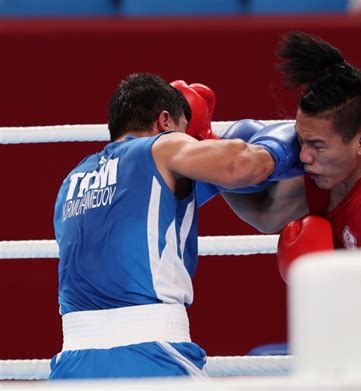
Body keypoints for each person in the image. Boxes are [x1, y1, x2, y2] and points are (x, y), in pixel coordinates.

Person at [50, 73, 300, 379]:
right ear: (165, 121)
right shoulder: (162, 148)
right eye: (185, 132)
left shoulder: (72, 182)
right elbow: (242, 166)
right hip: (150, 352)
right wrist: (284, 144)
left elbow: (262, 210)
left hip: (72, 363)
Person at [211, 32, 361, 343]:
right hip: (352, 340)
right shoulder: (321, 174)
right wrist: (215, 164)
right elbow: (266, 215)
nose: (303, 155)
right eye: (300, 141)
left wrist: (331, 279)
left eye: (317, 145)